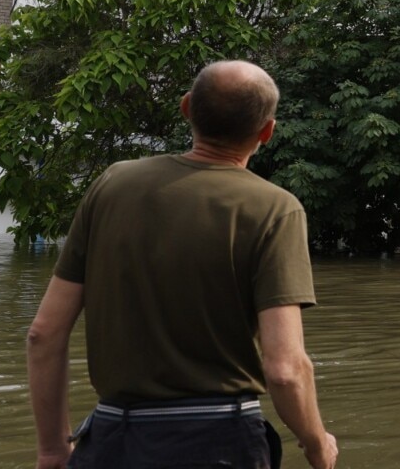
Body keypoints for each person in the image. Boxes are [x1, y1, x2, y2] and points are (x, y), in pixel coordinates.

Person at [27, 60, 337, 469]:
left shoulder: (112, 184)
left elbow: (43, 335)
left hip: (113, 439)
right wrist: (316, 443)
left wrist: (52, 449)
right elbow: (284, 369)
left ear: (187, 107)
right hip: (222, 443)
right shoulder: (275, 209)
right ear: (267, 131)